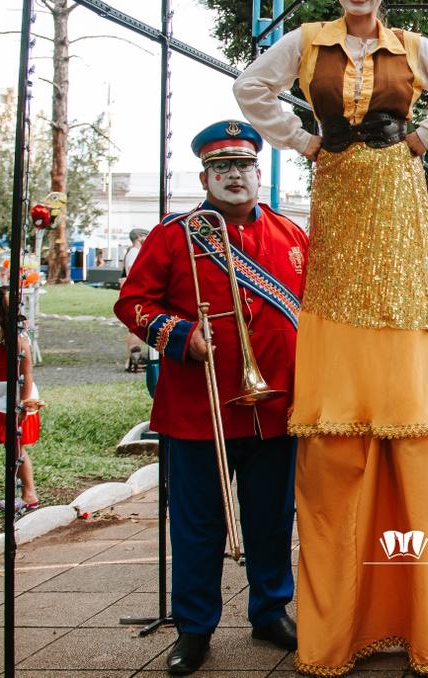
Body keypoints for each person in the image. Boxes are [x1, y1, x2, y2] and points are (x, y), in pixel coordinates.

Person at [233, 0, 428, 676]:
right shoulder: (307, 42)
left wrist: (425, 136)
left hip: (400, 191)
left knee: (400, 295)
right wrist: (303, 140)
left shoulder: (410, 46)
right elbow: (250, 88)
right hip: (338, 190)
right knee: (339, 291)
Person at [115, 121, 307, 676]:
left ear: (258, 173)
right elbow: (133, 302)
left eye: (243, 165)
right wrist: (180, 334)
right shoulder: (174, 234)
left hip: (275, 407)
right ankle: (194, 628)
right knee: (198, 524)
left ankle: (270, 611)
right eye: (221, 167)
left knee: (272, 518)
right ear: (204, 177)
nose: (234, 175)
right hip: (198, 408)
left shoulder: (292, 235)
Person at [0, 284, 42, 516]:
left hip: (13, 398)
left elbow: (27, 374)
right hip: (1, 397)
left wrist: (23, 404)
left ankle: (29, 493)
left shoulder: (18, 338)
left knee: (16, 447)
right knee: (12, 447)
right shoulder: (3, 333)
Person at [121, 227, 151, 373]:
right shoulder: (134, 253)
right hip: (137, 292)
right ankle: (133, 360)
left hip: (135, 292)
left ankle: (130, 361)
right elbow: (135, 271)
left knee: (134, 328)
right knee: (136, 329)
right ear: (139, 237)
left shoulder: (132, 252)